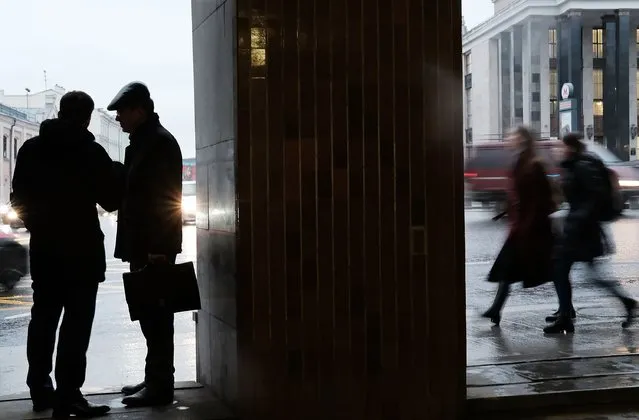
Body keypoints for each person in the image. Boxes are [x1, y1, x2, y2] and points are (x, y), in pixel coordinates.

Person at [12, 91, 120, 417]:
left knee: (43, 319)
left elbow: (19, 199)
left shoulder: (32, 148)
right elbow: (112, 199)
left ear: (60, 112)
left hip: (46, 251)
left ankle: (40, 391)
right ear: (87, 118)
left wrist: (40, 228)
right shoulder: (90, 151)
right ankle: (69, 394)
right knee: (76, 326)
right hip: (82, 253)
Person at [107, 81, 183, 407]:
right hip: (143, 244)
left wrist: (160, 248)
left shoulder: (159, 144)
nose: (118, 118)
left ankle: (160, 384)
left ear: (140, 109)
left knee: (157, 315)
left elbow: (165, 201)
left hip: (154, 247)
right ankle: (154, 377)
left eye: (122, 111)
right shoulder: (143, 142)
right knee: (149, 313)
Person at [544, 132, 637, 334]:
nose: (558, 151)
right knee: (568, 271)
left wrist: (578, 218)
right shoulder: (575, 164)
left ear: (571, 147)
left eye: (562, 147)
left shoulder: (583, 166)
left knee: (561, 270)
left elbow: (594, 196)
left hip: (582, 230)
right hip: (580, 228)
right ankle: (625, 303)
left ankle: (566, 318)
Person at [481, 126, 556, 325]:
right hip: (522, 226)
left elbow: (538, 198)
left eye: (512, 136)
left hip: (530, 227)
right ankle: (496, 309)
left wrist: (526, 222)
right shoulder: (522, 160)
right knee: (509, 267)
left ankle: (567, 309)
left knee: (551, 268)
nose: (508, 139)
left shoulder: (532, 163)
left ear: (522, 139)